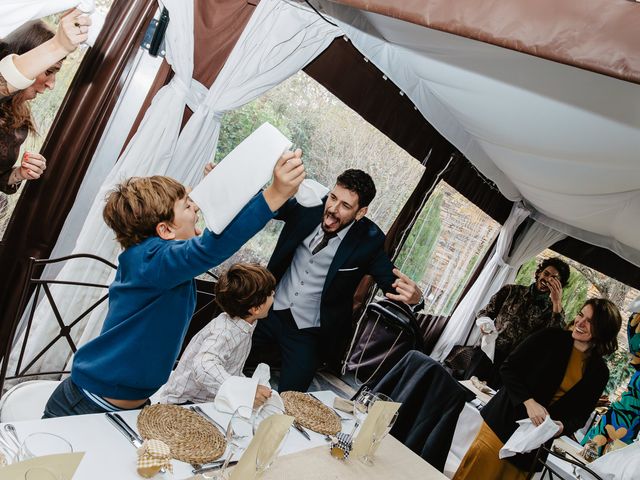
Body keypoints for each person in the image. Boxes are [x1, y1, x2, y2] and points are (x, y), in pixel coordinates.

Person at [42, 151, 305, 418]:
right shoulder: (150, 260)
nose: (197, 208)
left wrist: (222, 194)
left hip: (129, 409)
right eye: (188, 206)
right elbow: (210, 247)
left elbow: (213, 236)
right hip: (85, 406)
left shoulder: (161, 265)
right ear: (165, 230)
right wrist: (275, 194)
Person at [250, 168, 422, 392]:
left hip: (308, 332)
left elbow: (392, 281)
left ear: (361, 212)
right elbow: (267, 202)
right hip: (268, 310)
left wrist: (415, 297)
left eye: (345, 206)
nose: (332, 208)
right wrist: (230, 187)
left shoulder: (369, 240)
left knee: (291, 399)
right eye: (333, 198)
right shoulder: (309, 205)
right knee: (227, 366)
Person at [454, 298, 623, 479]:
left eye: (590, 322)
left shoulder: (599, 372)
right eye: (581, 315)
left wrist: (562, 427)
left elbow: (580, 416)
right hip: (502, 423)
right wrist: (529, 402)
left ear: (603, 330)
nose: (580, 322)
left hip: (533, 444)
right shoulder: (550, 337)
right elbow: (508, 368)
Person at [158, 263, 276, 408]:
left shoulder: (245, 324)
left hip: (209, 399)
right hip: (186, 403)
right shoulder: (225, 332)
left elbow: (231, 369)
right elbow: (203, 366)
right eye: (271, 293)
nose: (274, 295)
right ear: (256, 309)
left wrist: (250, 387)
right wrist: (243, 390)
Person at [0, 11, 89, 194]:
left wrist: (19, 174)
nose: (51, 84)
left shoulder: (19, 117)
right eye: (48, 72)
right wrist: (59, 45)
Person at [465, 257, 570, 388]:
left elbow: (554, 340)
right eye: (546, 274)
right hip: (487, 353)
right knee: (466, 390)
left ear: (559, 285)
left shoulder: (554, 311)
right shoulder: (511, 291)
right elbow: (485, 312)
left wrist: (556, 302)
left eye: (554, 278)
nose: (547, 279)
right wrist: (484, 324)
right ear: (539, 273)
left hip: (513, 367)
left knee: (488, 403)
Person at [581, 310, 640, 455]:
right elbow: (635, 353)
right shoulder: (636, 319)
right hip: (624, 412)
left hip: (628, 416)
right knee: (590, 458)